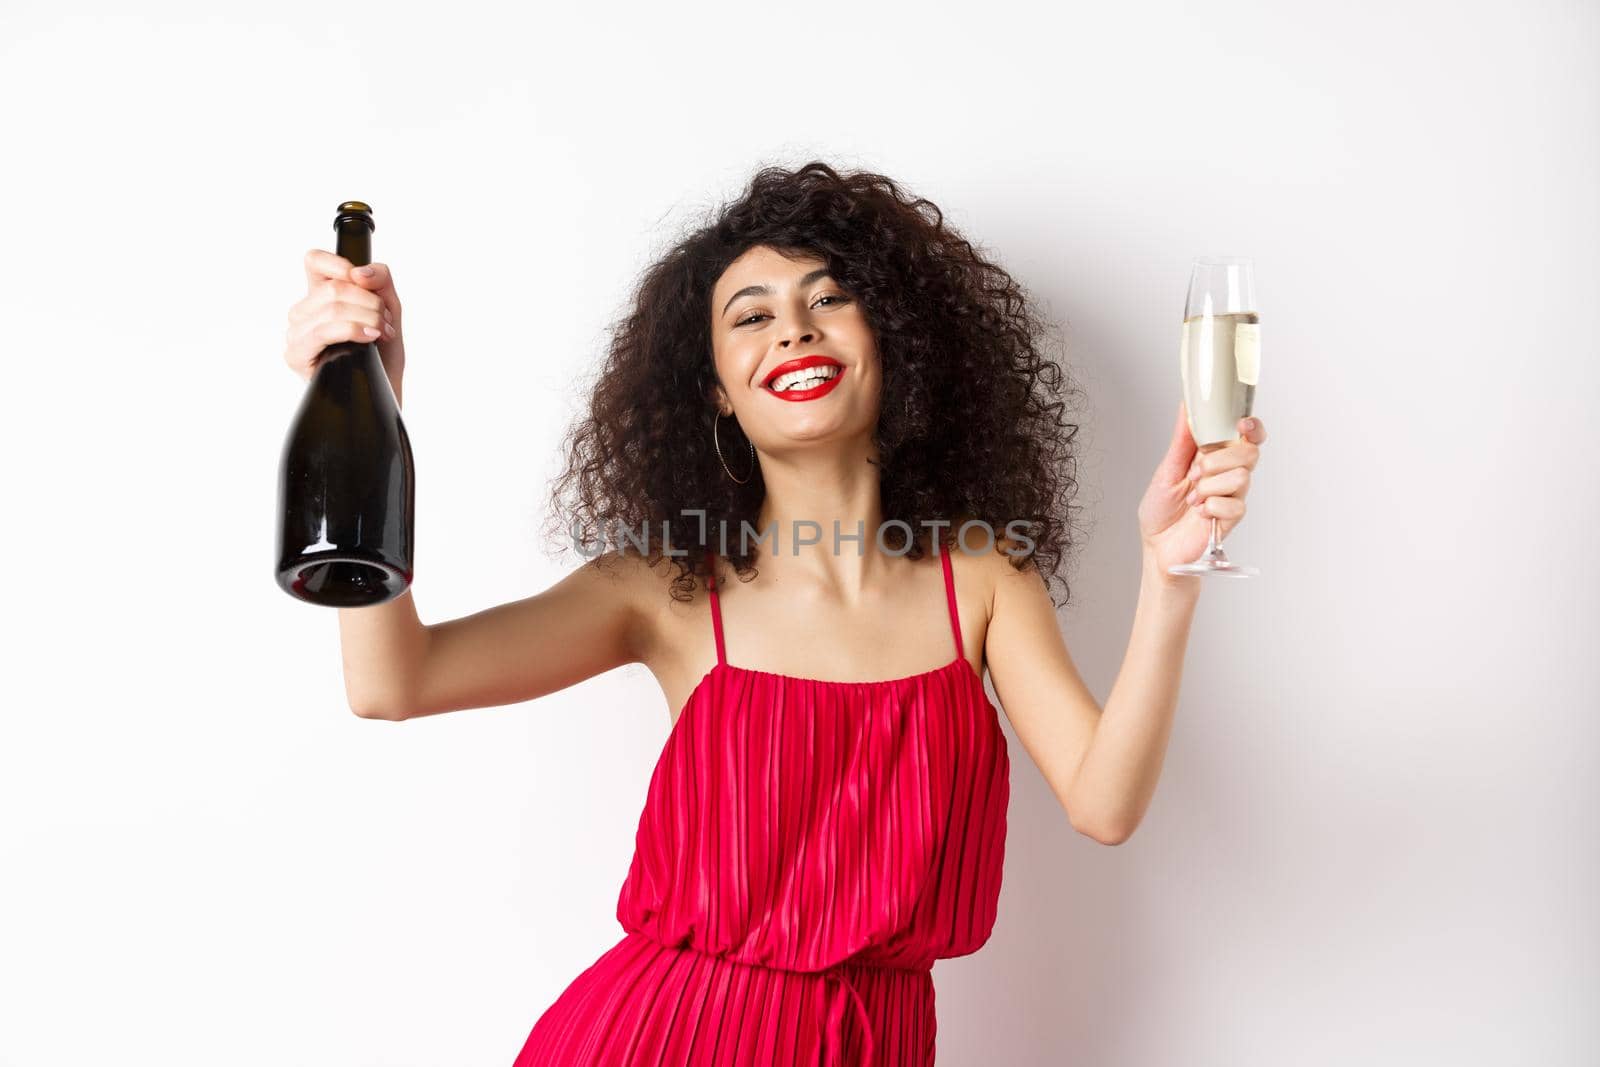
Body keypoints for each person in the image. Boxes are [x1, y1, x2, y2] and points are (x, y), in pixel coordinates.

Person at [281, 161, 1267, 1065]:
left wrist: (1168, 574)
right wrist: (380, 421)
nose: (793, 329)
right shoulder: (662, 588)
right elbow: (390, 683)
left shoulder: (982, 578)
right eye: (750, 315)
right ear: (714, 386)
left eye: (828, 298)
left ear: (891, 336)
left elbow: (1103, 803)